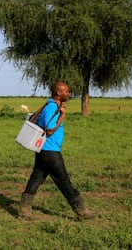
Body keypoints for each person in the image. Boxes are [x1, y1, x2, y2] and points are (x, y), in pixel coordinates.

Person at [19, 81, 97, 220]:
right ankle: (82, 211)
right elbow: (49, 130)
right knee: (64, 182)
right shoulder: (51, 107)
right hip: (50, 152)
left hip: (44, 150)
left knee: (36, 179)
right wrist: (62, 116)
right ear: (58, 93)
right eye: (66, 91)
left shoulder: (51, 105)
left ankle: (24, 211)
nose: (68, 93)